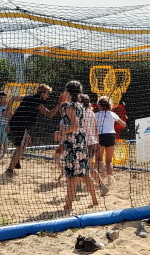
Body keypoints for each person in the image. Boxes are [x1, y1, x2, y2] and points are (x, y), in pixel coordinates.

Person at [54, 81, 98, 211]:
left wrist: (60, 133)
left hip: (73, 144)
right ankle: (95, 201)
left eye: (65, 91)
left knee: (71, 176)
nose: (64, 93)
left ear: (68, 92)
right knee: (84, 173)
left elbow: (74, 126)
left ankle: (68, 205)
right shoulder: (80, 105)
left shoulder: (70, 106)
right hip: (80, 142)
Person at [4, 84, 61, 177]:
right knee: (21, 145)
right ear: (42, 93)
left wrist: (7, 110)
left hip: (15, 122)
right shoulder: (38, 102)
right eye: (47, 94)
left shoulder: (28, 97)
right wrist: (59, 104)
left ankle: (16, 160)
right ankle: (10, 169)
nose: (47, 96)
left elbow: (13, 98)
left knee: (27, 139)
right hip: (21, 125)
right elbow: (49, 114)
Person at [80, 94, 109, 196]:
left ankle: (102, 186)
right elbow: (96, 130)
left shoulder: (80, 113)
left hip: (84, 143)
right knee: (87, 167)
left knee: (89, 167)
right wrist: (97, 142)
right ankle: (81, 184)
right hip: (92, 142)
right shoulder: (91, 113)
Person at [94, 95, 127, 186]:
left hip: (100, 136)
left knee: (98, 159)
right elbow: (123, 125)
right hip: (110, 136)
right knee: (109, 160)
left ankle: (102, 176)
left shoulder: (95, 115)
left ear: (99, 105)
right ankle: (110, 180)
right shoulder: (112, 114)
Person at [0, 91, 9, 159]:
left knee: (5, 139)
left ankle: (5, 153)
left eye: (4, 97)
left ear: (6, 98)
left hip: (5, 124)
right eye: (1, 97)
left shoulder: (8, 106)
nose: (3, 98)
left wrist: (9, 125)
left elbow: (9, 116)